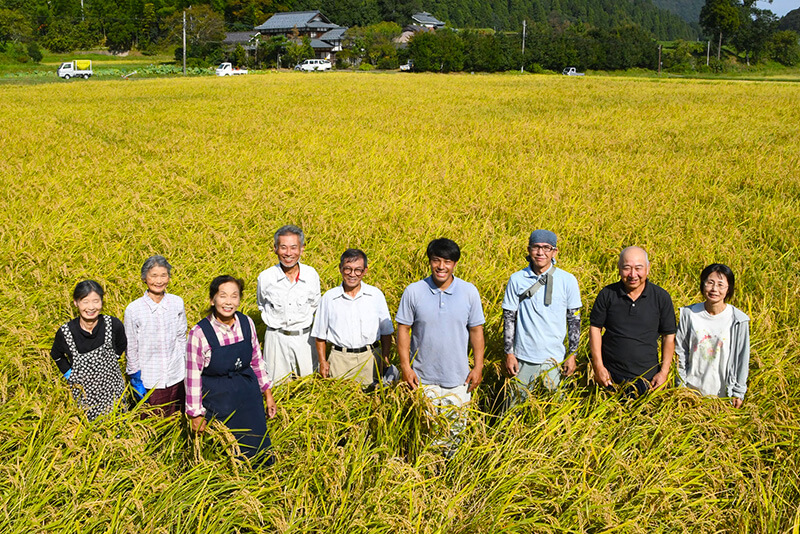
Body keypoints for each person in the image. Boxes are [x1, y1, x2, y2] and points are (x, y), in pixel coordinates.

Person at [396, 238, 485, 452]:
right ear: (429, 262)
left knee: (455, 436)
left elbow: (476, 331)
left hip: (458, 378)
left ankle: (452, 475)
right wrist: (406, 368)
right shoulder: (414, 291)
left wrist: (478, 366)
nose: (441, 267)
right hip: (422, 379)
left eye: (447, 261)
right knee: (425, 435)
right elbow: (403, 330)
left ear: (455, 264)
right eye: (436, 260)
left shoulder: (469, 292)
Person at [185, 275, 276, 465]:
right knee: (226, 453)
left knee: (258, 449)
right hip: (219, 402)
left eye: (234, 296)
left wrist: (267, 393)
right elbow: (193, 375)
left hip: (249, 397)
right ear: (212, 299)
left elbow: (256, 360)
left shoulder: (246, 323)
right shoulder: (199, 333)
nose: (228, 302)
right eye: (223, 296)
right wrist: (195, 414)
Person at [502, 230, 581, 404]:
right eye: (536, 247)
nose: (540, 252)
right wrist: (509, 353)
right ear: (529, 249)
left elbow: (574, 320)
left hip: (555, 360)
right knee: (513, 409)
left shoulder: (568, 280)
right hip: (522, 358)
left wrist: (572, 355)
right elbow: (509, 318)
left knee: (555, 409)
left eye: (546, 248)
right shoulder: (516, 279)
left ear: (555, 251)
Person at [589, 246, 676, 398]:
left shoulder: (661, 297)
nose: (633, 274)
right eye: (627, 268)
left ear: (648, 269)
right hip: (610, 378)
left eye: (638, 268)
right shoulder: (607, 294)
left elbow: (668, 336)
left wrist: (663, 372)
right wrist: (598, 366)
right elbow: (595, 328)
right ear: (619, 268)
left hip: (648, 380)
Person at [312, 249, 394, 388]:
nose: (352, 274)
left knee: (371, 402)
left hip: (370, 358)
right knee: (338, 403)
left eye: (358, 270)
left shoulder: (375, 295)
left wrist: (384, 358)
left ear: (365, 271)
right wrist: (322, 361)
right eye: (348, 269)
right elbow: (320, 335)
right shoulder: (329, 298)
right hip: (339, 360)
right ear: (340, 269)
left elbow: (386, 332)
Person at [50, 280, 127, 421]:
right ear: (76, 303)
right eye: (85, 301)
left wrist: (112, 360)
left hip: (114, 393)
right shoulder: (66, 332)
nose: (91, 307)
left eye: (96, 301)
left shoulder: (113, 324)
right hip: (85, 398)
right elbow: (56, 355)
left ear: (102, 302)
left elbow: (122, 343)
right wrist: (70, 375)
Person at [675, 264, 750, 407]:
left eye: (721, 285)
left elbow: (742, 357)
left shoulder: (738, 320)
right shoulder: (689, 314)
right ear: (702, 284)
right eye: (710, 283)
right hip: (691, 393)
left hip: (723, 395)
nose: (714, 289)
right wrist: (681, 387)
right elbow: (680, 351)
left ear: (729, 289)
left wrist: (738, 392)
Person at [124, 255, 187, 416]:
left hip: (176, 375)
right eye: (154, 276)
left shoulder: (177, 303)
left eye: (163, 275)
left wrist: (187, 365)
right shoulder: (134, 309)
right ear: (144, 278)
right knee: (154, 424)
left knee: (177, 421)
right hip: (150, 380)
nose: (159, 281)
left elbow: (181, 336)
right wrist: (135, 377)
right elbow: (131, 346)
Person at [257, 225, 321, 384]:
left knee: (309, 385)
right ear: (275, 248)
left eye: (294, 247)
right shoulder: (266, 278)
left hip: (305, 339)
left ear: (302, 249)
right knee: (276, 386)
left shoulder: (311, 275)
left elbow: (315, 304)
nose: (288, 253)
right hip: (276, 339)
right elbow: (262, 304)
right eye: (283, 247)